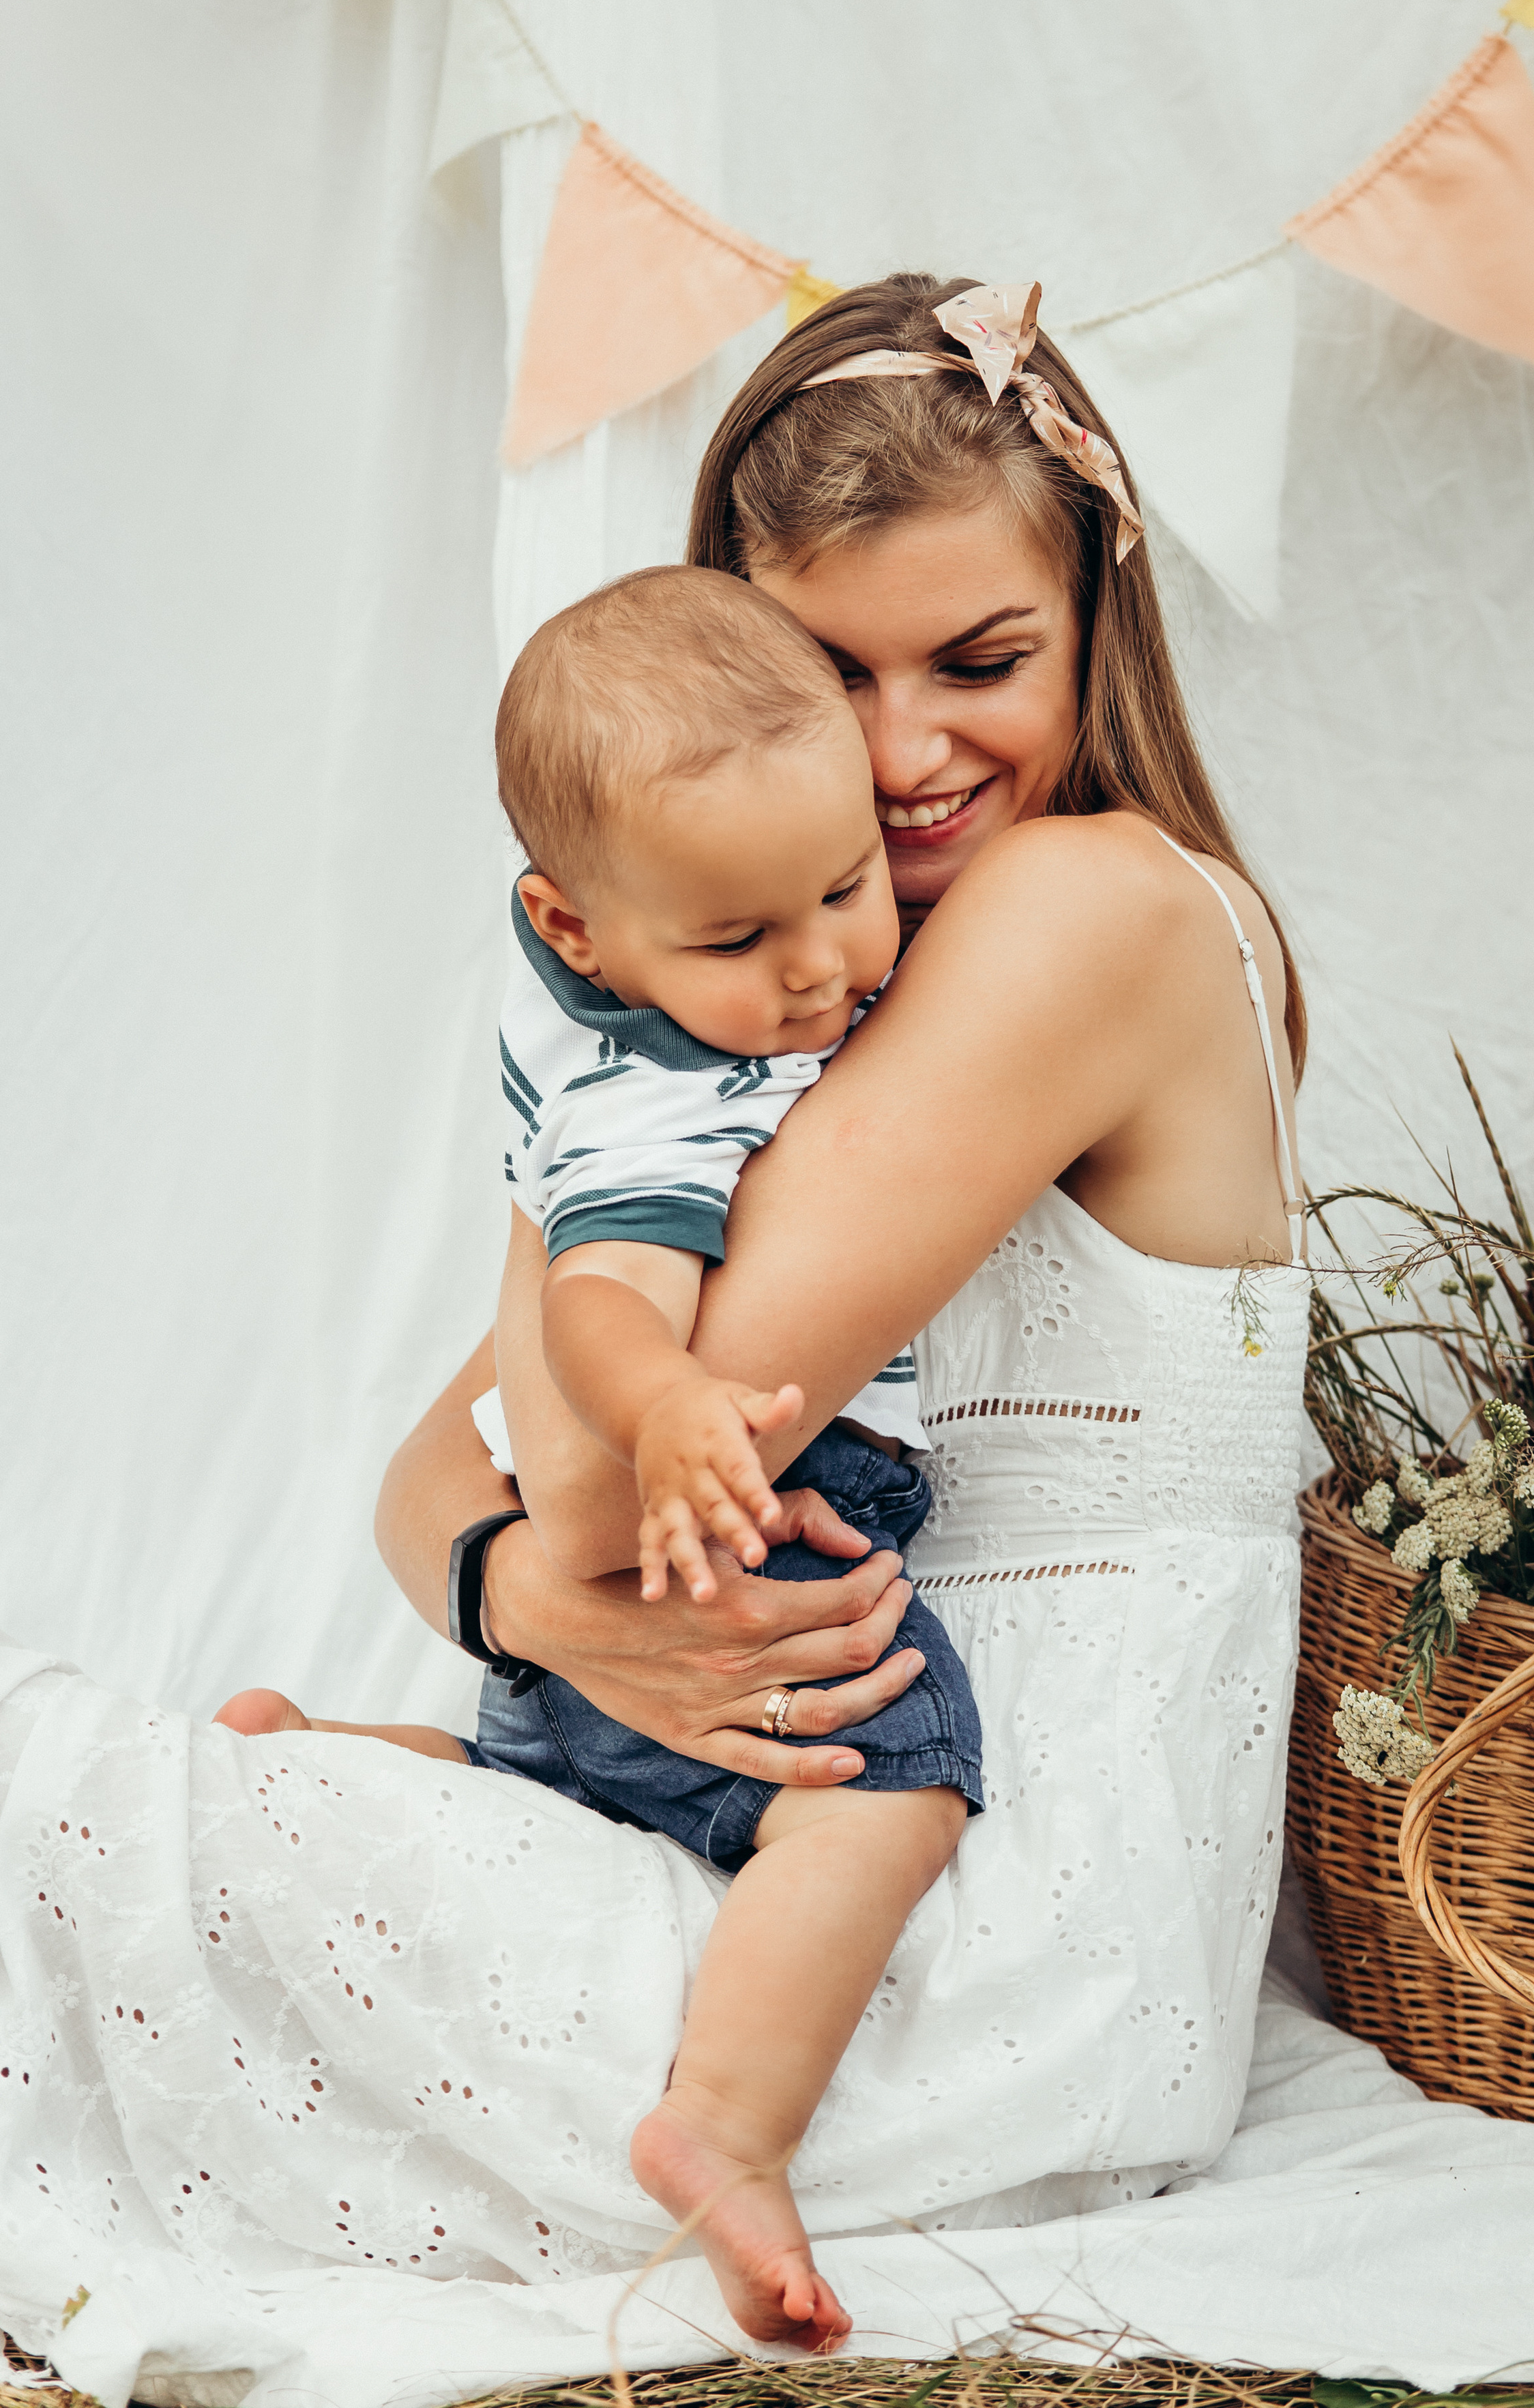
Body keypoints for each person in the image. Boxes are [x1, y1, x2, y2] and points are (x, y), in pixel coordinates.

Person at [222, 271, 1310, 2347]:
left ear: (1099, 617)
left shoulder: (1080, 911)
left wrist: (592, 1054)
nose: (901, 759)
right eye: (825, 673)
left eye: (981, 661)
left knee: (93, 1859)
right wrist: (534, 1604)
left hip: (983, 1909)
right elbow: (428, 1483)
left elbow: (578, 1467)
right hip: (781, 1817)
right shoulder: (800, 1015)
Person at [226, 561, 986, 2351]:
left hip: (607, 1607)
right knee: (901, 1764)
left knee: (554, 1802)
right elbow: (594, 1305)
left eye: (848, 885)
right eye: (740, 942)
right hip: (739, 1535)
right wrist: (670, 1413)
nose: (818, 968)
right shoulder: (656, 1091)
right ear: (574, 934)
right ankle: (726, 2119)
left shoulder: (662, 960)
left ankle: (343, 1761)